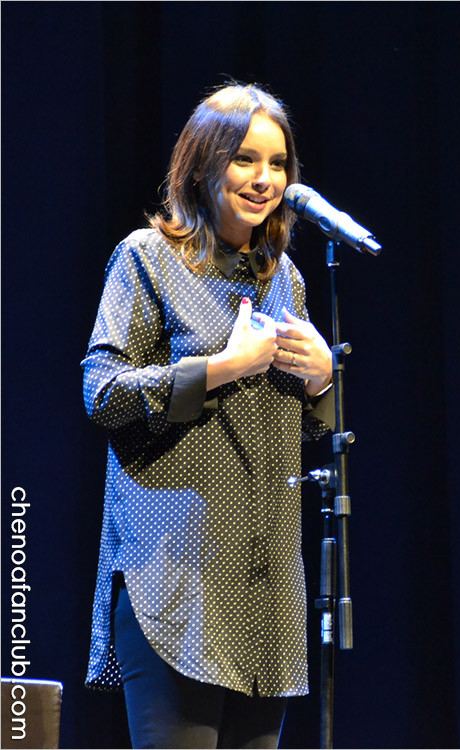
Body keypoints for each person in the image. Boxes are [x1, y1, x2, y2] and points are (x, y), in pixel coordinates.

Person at [82, 83, 336, 748]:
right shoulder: (149, 258)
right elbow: (102, 394)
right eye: (244, 159)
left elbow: (311, 431)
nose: (264, 178)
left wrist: (320, 382)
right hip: (177, 586)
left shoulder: (286, 279)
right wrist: (224, 365)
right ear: (203, 163)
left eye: (278, 164)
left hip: (266, 595)